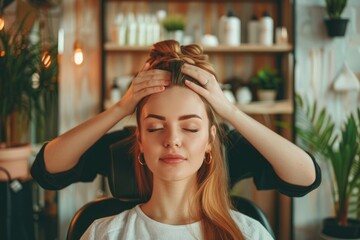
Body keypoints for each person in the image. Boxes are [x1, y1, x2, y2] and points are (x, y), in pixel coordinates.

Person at [31, 40, 321, 239]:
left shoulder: (248, 231)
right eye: (155, 127)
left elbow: (305, 177)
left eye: (191, 128)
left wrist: (230, 111)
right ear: (139, 141)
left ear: (211, 140)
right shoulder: (103, 232)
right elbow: (47, 168)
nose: (173, 140)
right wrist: (121, 108)